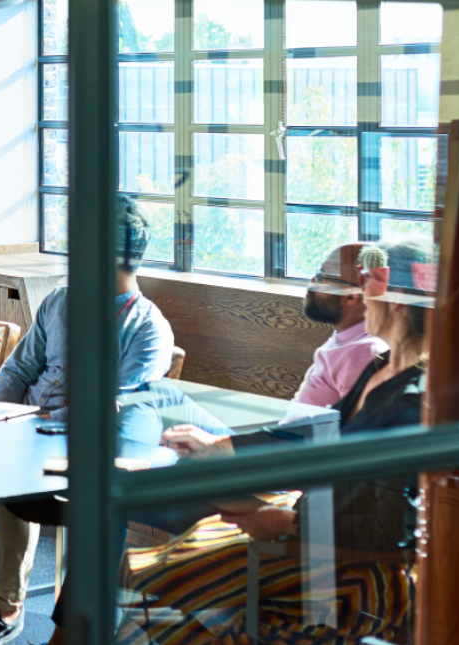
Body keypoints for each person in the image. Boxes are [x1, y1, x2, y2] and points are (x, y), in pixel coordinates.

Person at [43, 236, 434, 645]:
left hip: (339, 558)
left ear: (398, 299)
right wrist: (221, 448)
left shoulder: (412, 396)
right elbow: (317, 437)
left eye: (367, 284)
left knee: (172, 578)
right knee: (148, 534)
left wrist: (290, 523)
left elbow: (388, 527)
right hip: (307, 516)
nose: (360, 296)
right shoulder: (381, 366)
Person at [0, 200, 176, 645]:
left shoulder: (148, 328)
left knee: (17, 478)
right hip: (25, 428)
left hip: (75, 449)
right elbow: (19, 370)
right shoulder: (62, 300)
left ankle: (6, 609)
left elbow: (116, 408)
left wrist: (43, 421)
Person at [291, 242, 388, 409]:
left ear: (351, 296)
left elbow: (355, 431)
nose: (312, 281)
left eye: (323, 277)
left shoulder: (363, 353)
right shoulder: (347, 340)